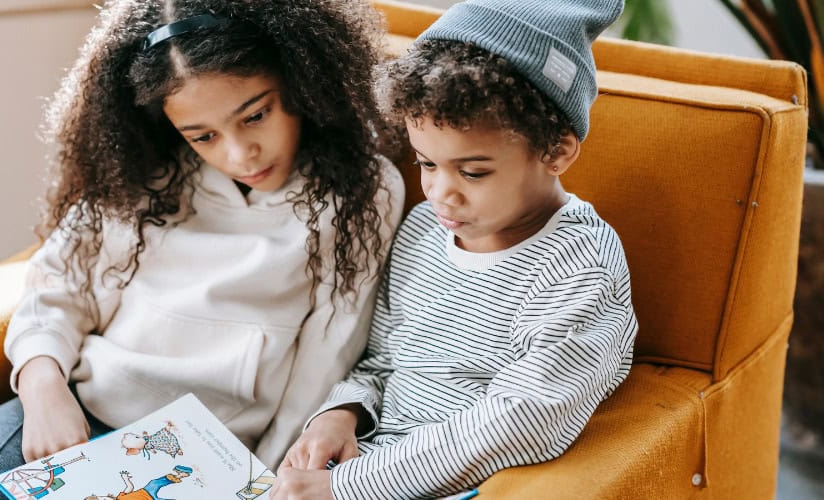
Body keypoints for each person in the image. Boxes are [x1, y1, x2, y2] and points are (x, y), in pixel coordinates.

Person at [0, 0, 403, 497]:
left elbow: (328, 353)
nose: (239, 154)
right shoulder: (145, 169)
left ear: (301, 78)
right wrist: (43, 387)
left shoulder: (363, 190)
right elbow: (57, 288)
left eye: (256, 115)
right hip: (77, 412)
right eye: (203, 136)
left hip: (205, 457)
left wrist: (263, 481)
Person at [273, 1, 637, 498]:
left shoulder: (580, 264)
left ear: (556, 151)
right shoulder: (425, 228)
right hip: (363, 465)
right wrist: (341, 414)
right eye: (426, 163)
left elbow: (522, 420)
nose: (441, 193)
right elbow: (383, 359)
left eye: (473, 172)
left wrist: (344, 489)